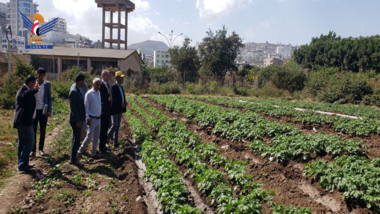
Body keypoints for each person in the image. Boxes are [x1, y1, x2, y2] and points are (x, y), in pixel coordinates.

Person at [14, 75, 40, 173]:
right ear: (30, 83)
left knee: (22, 143)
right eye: (33, 84)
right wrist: (34, 90)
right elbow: (26, 95)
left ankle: (23, 163)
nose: (34, 86)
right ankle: (22, 164)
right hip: (23, 122)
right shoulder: (23, 89)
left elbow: (28, 96)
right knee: (30, 141)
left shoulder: (26, 90)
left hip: (24, 121)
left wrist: (34, 91)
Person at [77, 78, 102, 159]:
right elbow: (86, 107)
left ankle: (93, 153)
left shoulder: (99, 93)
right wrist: (87, 118)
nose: (98, 86)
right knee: (89, 136)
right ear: (93, 84)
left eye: (99, 84)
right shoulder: (89, 94)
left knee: (96, 137)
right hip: (92, 119)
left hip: (98, 118)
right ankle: (80, 150)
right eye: (97, 84)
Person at [31, 67, 52, 158]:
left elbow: (49, 98)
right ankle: (33, 150)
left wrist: (49, 110)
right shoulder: (32, 84)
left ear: (44, 76)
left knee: (42, 130)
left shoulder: (47, 85)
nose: (40, 77)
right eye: (39, 75)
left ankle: (41, 149)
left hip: (43, 111)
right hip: (34, 111)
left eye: (42, 75)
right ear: (37, 74)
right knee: (33, 131)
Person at [69, 72, 86, 166]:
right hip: (76, 120)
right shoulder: (74, 91)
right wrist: (78, 120)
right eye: (83, 81)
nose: (84, 83)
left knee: (75, 139)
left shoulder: (78, 89)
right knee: (77, 139)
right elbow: (73, 109)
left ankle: (73, 157)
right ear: (80, 80)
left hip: (79, 119)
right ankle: (74, 159)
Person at [107, 71, 127, 148]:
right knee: (114, 125)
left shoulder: (121, 87)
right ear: (117, 78)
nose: (122, 79)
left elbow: (122, 96)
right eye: (121, 77)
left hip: (120, 109)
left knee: (117, 126)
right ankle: (107, 139)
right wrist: (120, 104)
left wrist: (125, 102)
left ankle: (115, 142)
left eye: (122, 77)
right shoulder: (114, 87)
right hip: (115, 109)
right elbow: (114, 99)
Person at [99, 69, 112, 153]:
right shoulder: (101, 85)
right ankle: (101, 146)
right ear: (103, 76)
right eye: (107, 75)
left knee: (106, 127)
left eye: (109, 75)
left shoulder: (107, 84)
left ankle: (104, 144)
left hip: (108, 110)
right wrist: (108, 98)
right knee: (103, 128)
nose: (108, 77)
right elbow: (101, 97)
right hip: (103, 111)